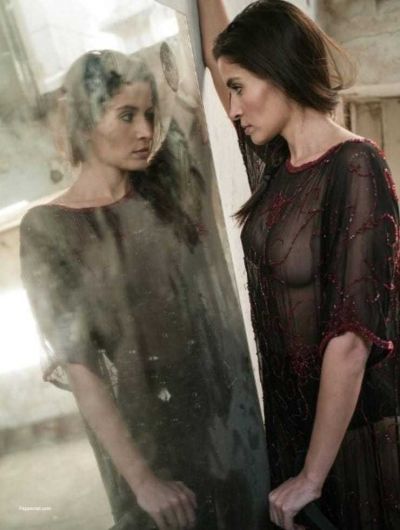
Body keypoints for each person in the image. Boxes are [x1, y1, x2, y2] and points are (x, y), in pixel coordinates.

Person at [20, 50, 267, 530]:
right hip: (147, 440)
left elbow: (210, 77)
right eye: (126, 115)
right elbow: (81, 367)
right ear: (85, 120)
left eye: (150, 115)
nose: (145, 131)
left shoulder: (164, 191)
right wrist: (142, 480)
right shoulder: (48, 229)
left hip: (224, 420)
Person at [198, 1, 400, 529]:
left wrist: (312, 476)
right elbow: (220, 60)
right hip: (293, 430)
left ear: (278, 70)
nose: (233, 108)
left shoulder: (356, 165)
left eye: (239, 88)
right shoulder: (275, 164)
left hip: (350, 441)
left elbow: (351, 339)